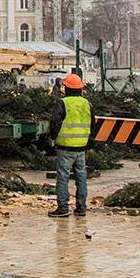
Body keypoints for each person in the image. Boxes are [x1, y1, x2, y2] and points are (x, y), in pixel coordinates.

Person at [48, 72, 91, 218]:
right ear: (80, 88)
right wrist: (88, 141)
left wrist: (54, 138)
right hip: (81, 147)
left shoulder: (62, 103)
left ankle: (63, 208)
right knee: (81, 176)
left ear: (66, 88)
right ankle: (81, 208)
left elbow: (54, 122)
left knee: (63, 177)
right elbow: (94, 124)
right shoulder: (87, 104)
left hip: (65, 147)